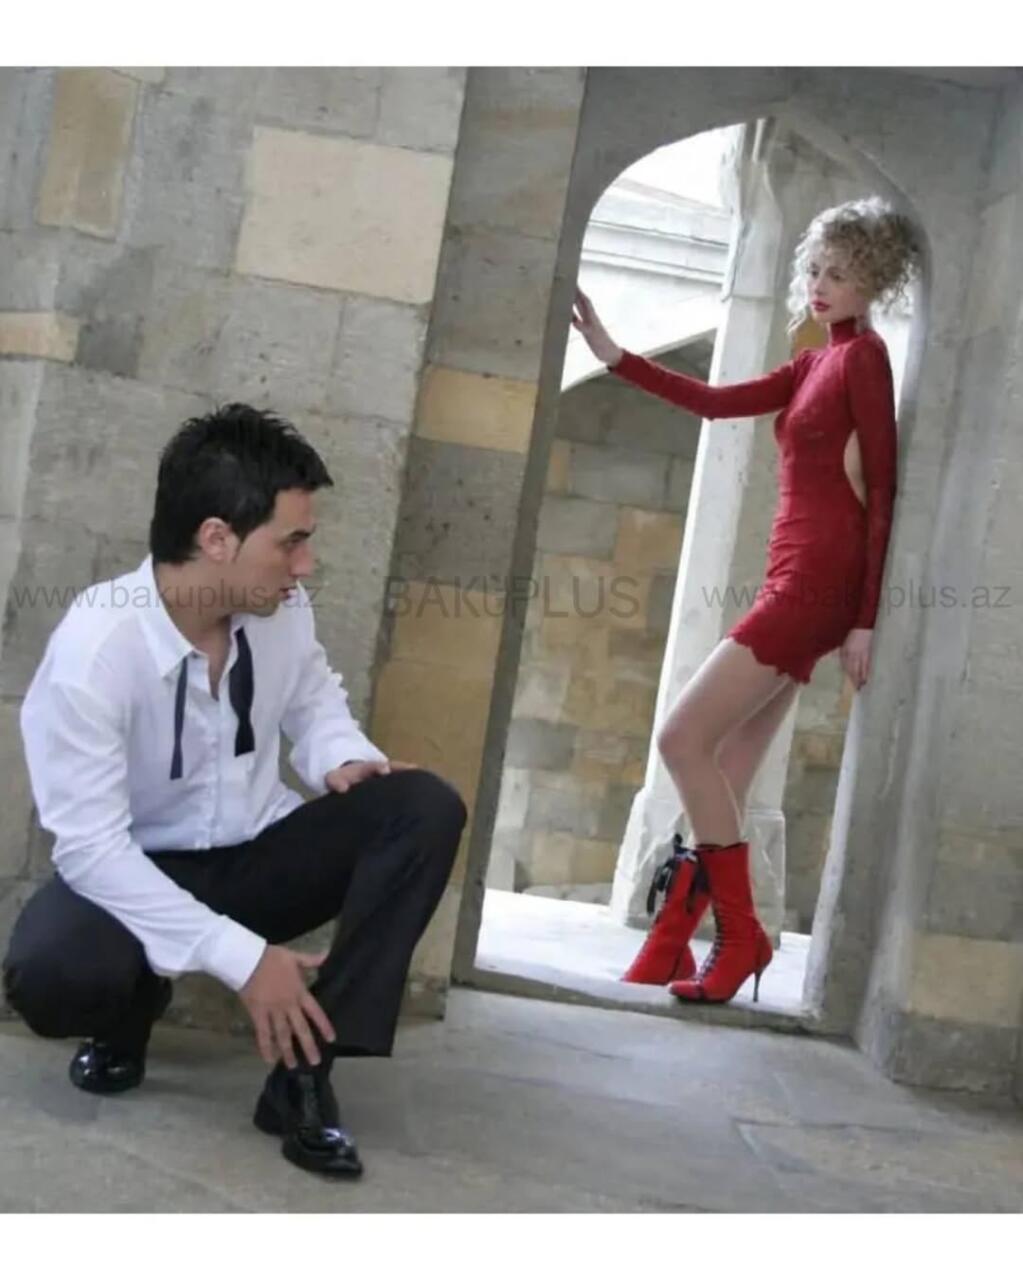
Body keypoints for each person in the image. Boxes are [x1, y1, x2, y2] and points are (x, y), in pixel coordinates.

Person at [1, 404, 467, 1179]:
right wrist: (246, 963)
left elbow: (313, 697)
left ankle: (302, 1077)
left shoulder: (279, 609)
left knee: (422, 807)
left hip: (256, 855)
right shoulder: (96, 651)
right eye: (290, 542)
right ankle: (126, 1012)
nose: (304, 566)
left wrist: (341, 757)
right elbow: (90, 851)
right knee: (54, 973)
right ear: (217, 538)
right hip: (137, 870)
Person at [572, 195, 920, 1006]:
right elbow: (713, 402)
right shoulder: (813, 362)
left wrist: (864, 619)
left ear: (873, 282)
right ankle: (670, 940)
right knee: (725, 765)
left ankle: (740, 936)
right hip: (788, 573)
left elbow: (884, 491)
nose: (820, 285)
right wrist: (613, 355)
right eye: (815, 269)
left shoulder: (864, 360)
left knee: (680, 738)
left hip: (816, 583)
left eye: (840, 274)